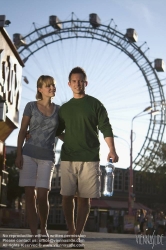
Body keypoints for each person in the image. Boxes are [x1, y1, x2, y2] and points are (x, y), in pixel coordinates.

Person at [56, 67, 119, 248]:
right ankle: (70, 231)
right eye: (74, 81)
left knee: (85, 198)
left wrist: (112, 150)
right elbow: (57, 131)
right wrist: (70, 139)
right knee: (66, 197)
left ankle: (76, 235)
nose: (77, 84)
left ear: (86, 83)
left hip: (90, 158)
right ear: (69, 84)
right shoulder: (65, 109)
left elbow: (106, 127)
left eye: (80, 81)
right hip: (68, 158)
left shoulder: (95, 104)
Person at [15, 75, 59, 245]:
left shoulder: (59, 110)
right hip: (28, 154)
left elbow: (61, 133)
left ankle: (44, 230)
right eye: (48, 86)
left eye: (53, 85)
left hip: (47, 156)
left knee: (42, 195)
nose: (52, 88)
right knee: (29, 195)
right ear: (40, 89)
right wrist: (18, 154)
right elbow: (22, 131)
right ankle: (34, 235)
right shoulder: (31, 106)